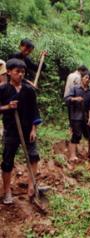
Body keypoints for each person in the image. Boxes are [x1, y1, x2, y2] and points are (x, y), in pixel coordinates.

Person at [0, 59, 42, 204]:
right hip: (11, 130)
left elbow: (34, 111)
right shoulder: (3, 89)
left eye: (23, 72)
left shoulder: (28, 90)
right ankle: (7, 191)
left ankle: (31, 186)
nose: (20, 74)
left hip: (27, 129)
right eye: (17, 71)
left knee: (34, 156)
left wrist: (33, 129)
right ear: (9, 72)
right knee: (7, 161)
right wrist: (7, 107)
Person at [65, 71, 90, 161]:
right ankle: (72, 155)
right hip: (76, 115)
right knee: (76, 135)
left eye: (89, 79)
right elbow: (67, 99)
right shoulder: (75, 88)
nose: (87, 80)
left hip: (86, 116)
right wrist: (75, 99)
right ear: (82, 78)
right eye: (86, 77)